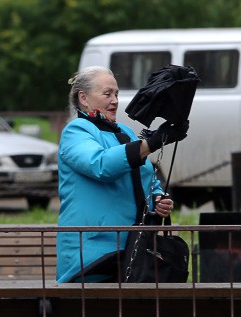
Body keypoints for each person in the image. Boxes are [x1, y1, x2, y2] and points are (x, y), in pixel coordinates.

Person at [56, 66, 189, 283]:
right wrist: (152, 142)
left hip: (131, 249)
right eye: (107, 94)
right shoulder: (76, 131)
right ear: (84, 98)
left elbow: (144, 176)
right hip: (92, 254)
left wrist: (156, 198)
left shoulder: (124, 132)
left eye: (116, 94)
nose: (115, 100)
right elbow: (101, 165)